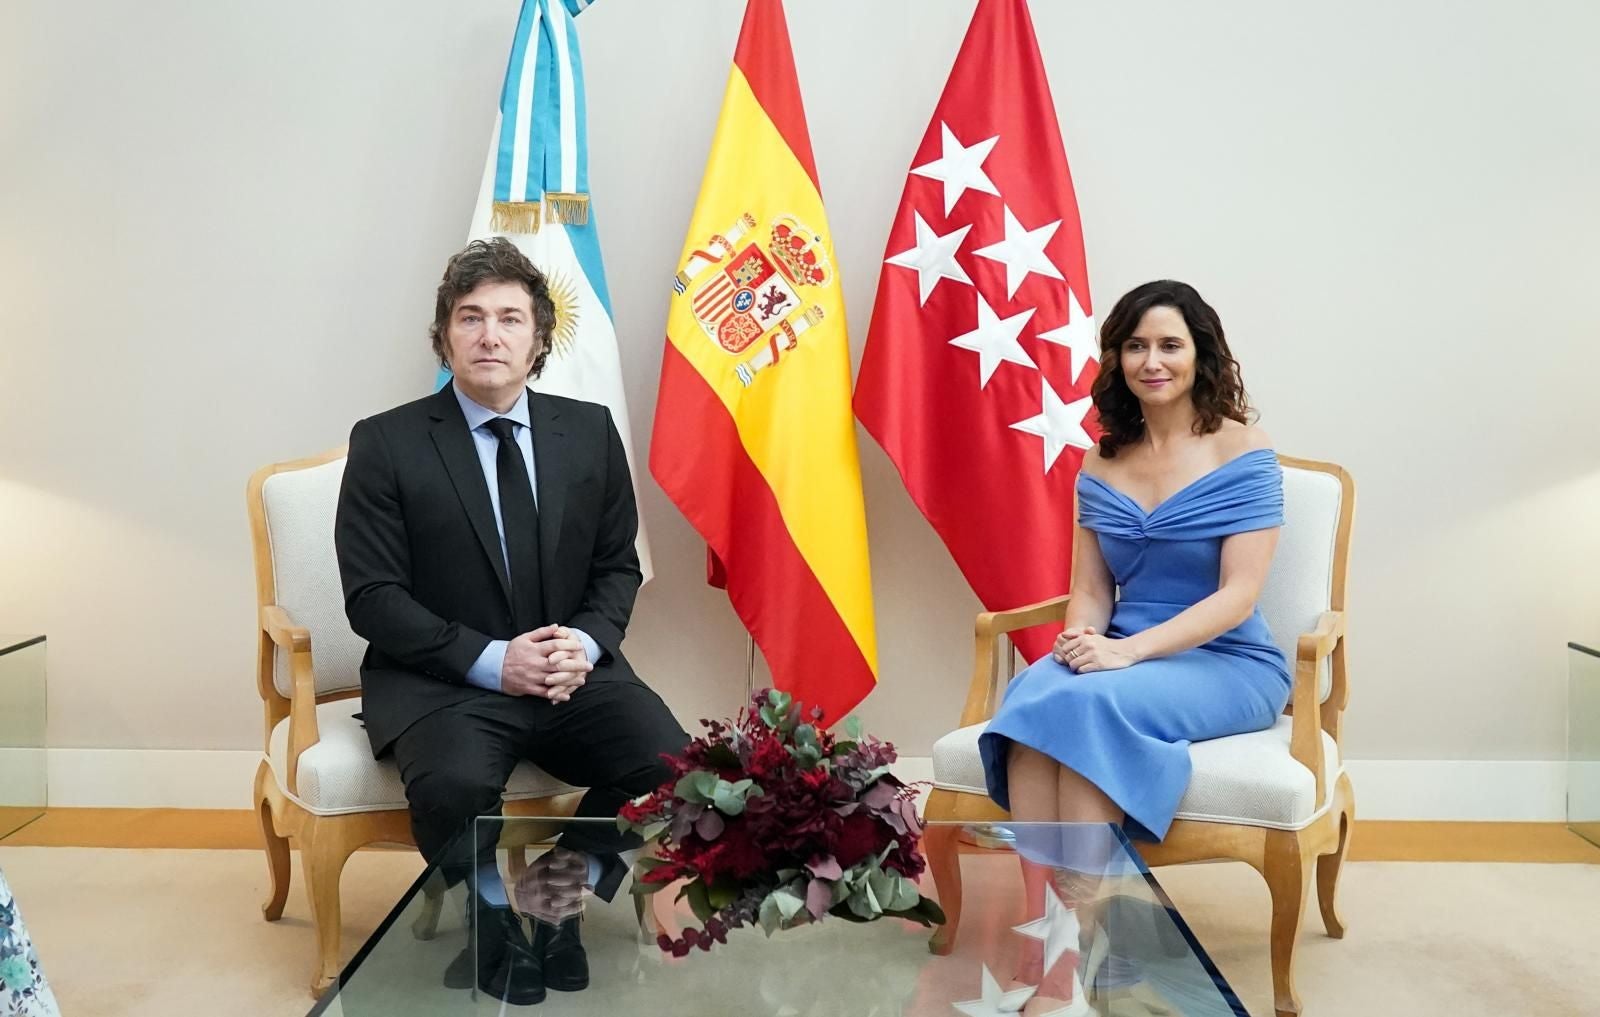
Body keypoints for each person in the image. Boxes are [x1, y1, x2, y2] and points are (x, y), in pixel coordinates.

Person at [335, 238, 688, 1005]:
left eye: (509, 318)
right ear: (444, 337)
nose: (489, 334)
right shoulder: (386, 442)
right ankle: (491, 916)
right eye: (469, 318)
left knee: (676, 766)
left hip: (571, 676)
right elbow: (372, 595)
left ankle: (560, 898)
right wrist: (494, 660)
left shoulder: (589, 431)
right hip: (445, 683)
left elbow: (616, 569)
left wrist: (585, 644)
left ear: (538, 339)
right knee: (455, 785)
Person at [978, 280, 1289, 1012]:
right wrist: (1084, 636)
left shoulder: (1243, 449)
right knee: (1039, 694)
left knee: (1091, 709)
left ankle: (1072, 949)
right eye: (1136, 345)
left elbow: (1237, 596)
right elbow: (1089, 588)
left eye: (1170, 344)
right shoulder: (1101, 458)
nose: (1153, 360)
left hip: (1226, 659)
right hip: (1126, 652)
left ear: (1201, 354)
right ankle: (1042, 933)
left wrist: (1127, 651)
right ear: (1116, 357)